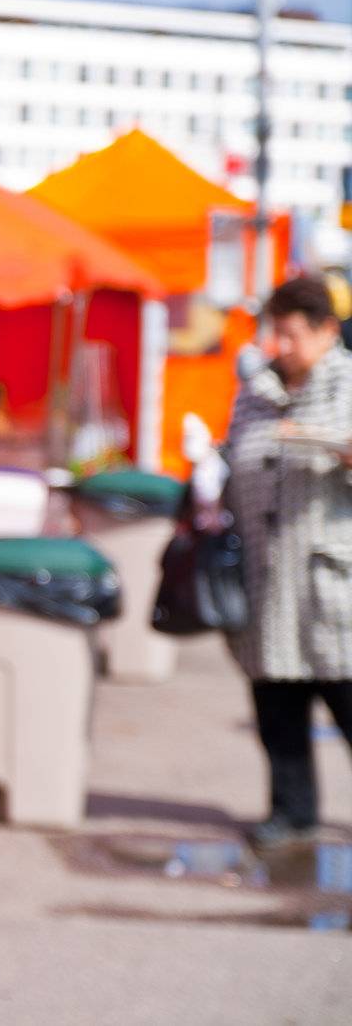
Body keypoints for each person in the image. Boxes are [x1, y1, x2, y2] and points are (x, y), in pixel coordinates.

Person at [224, 275, 352, 848]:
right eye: (274, 331)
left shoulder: (346, 385)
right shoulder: (256, 390)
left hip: (333, 581)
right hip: (268, 577)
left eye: (292, 333)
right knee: (277, 707)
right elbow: (238, 457)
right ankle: (290, 810)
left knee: (346, 699)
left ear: (327, 331)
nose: (280, 344)